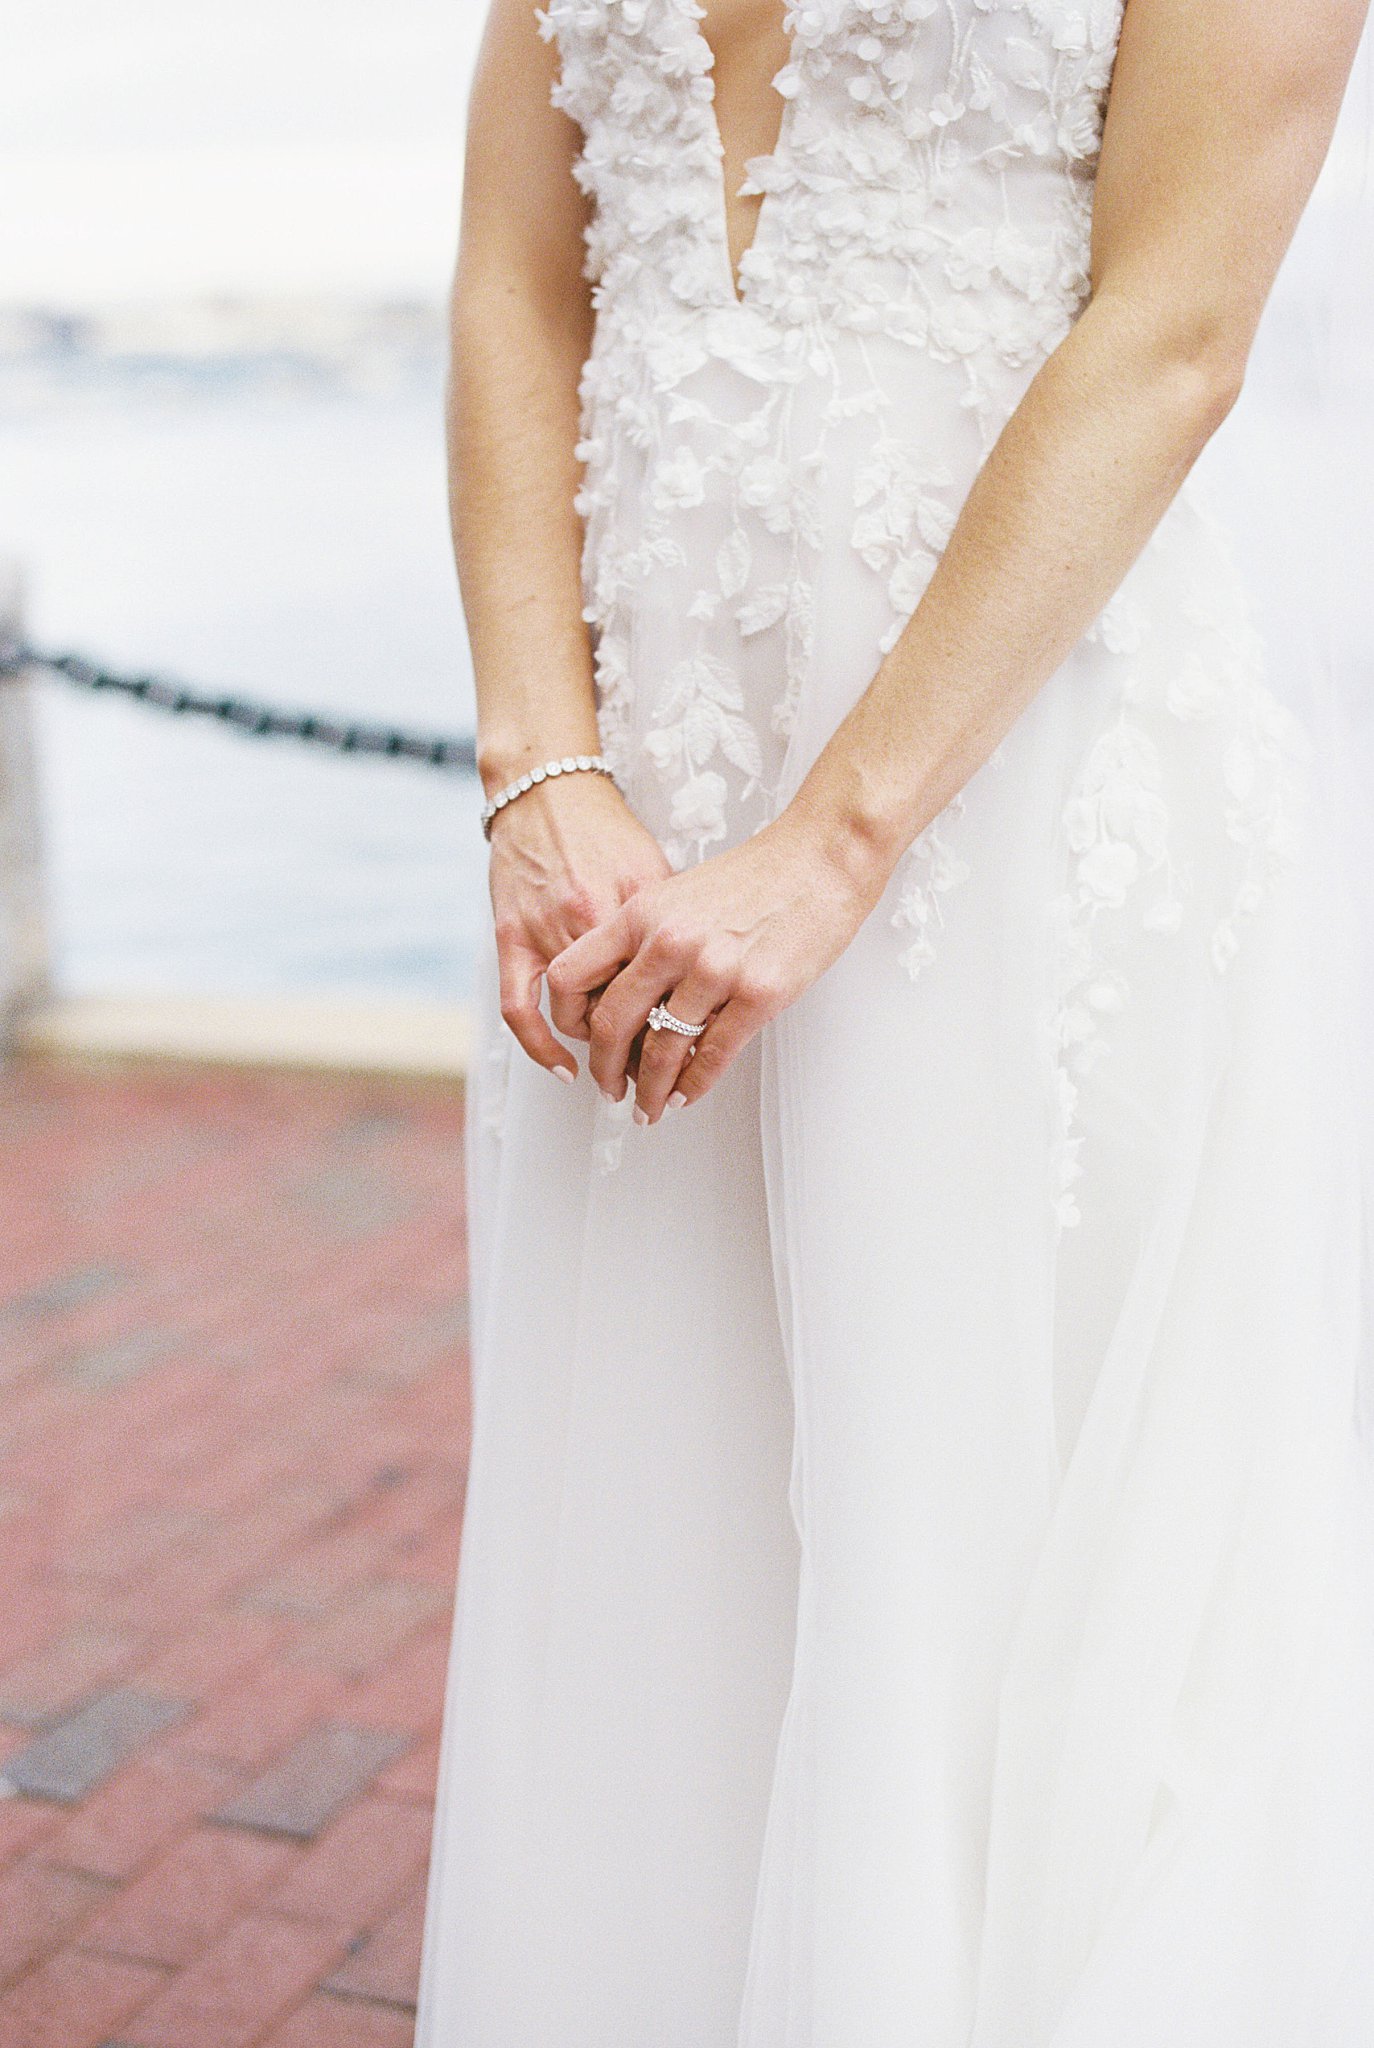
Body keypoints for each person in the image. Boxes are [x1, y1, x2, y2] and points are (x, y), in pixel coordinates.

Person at [416, 2, 1374, 2041]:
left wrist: (835, 845)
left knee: (980, 1535)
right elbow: (520, 272)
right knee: (666, 1510)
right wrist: (538, 765)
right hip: (635, 804)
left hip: (1003, 799)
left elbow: (1178, 332)